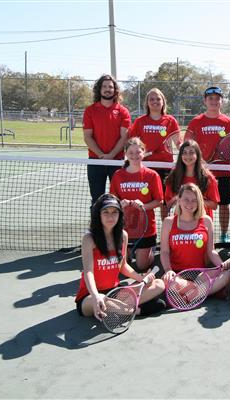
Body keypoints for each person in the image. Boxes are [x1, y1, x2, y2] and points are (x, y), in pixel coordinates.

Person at [75, 194, 166, 320]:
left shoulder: (122, 236)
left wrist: (141, 277)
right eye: (105, 212)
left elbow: (122, 265)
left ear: (120, 214)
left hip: (115, 292)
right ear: (98, 215)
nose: (110, 216)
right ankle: (136, 310)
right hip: (89, 297)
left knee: (159, 284)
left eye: (114, 212)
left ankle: (122, 309)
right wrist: (95, 295)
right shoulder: (89, 239)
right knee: (103, 299)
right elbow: (88, 272)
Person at [160, 183, 230, 297]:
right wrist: (168, 270)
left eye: (194, 200)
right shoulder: (169, 222)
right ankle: (203, 292)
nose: (190, 203)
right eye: (186, 199)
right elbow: (164, 252)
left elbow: (211, 251)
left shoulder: (206, 220)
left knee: (228, 273)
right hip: (178, 275)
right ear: (179, 200)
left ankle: (191, 295)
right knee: (169, 282)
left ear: (199, 202)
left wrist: (221, 265)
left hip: (201, 275)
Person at [187, 86, 230, 242]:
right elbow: (187, 144)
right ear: (205, 101)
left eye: (217, 98)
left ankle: (223, 234)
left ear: (221, 101)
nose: (214, 101)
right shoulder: (196, 122)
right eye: (210, 99)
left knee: (224, 204)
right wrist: (199, 161)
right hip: (201, 172)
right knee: (199, 203)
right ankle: (197, 230)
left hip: (223, 171)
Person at [109, 137, 163, 272]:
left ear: (143, 152)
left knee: (141, 266)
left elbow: (159, 201)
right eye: (131, 152)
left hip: (145, 229)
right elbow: (112, 200)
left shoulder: (152, 175)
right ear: (126, 153)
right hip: (124, 228)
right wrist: (119, 204)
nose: (135, 155)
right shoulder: (118, 175)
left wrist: (143, 206)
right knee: (122, 264)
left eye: (138, 152)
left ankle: (150, 248)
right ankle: (130, 251)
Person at [128, 88, 180, 220]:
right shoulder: (140, 121)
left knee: (164, 202)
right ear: (147, 103)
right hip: (145, 167)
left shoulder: (170, 121)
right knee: (144, 201)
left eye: (158, 99)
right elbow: (132, 142)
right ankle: (145, 232)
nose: (155, 101)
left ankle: (165, 232)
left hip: (165, 167)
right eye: (151, 99)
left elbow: (178, 142)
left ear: (163, 102)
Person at [83, 74, 131, 204]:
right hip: (95, 161)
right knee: (96, 199)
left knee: (119, 198)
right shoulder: (90, 111)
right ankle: (96, 224)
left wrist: (111, 155)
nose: (107, 89)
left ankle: (120, 224)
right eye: (104, 86)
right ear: (99, 89)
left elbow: (124, 137)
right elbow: (87, 137)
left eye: (110, 86)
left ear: (115, 90)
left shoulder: (123, 111)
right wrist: (101, 156)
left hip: (117, 161)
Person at [164, 140, 220, 219]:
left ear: (197, 155)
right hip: (180, 222)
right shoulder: (174, 176)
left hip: (202, 221)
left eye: (191, 152)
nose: (188, 156)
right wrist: (178, 198)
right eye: (184, 153)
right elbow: (168, 204)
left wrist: (195, 200)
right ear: (180, 155)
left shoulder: (208, 178)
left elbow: (214, 205)